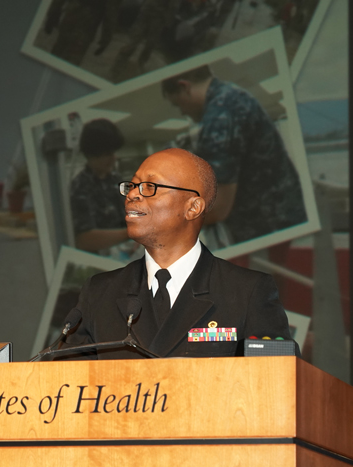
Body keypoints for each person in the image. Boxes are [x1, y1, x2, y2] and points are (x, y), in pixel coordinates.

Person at [63, 148, 291, 359]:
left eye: (149, 187)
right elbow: (62, 383)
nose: (132, 195)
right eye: (131, 186)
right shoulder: (99, 293)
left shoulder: (248, 292)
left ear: (193, 207)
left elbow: (277, 383)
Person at [160, 65, 307, 244]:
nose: (182, 112)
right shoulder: (231, 95)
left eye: (177, 104)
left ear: (184, 87)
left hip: (269, 226)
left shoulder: (220, 116)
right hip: (281, 211)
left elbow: (219, 207)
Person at [69, 118, 130, 254]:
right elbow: (85, 239)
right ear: (92, 154)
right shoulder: (80, 187)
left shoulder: (116, 179)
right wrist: (131, 234)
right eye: (108, 154)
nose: (114, 158)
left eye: (114, 152)